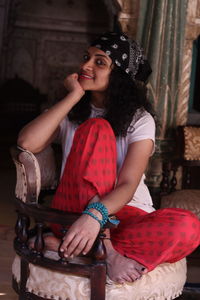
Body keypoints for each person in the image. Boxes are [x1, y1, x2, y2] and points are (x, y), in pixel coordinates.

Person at [17, 32, 200, 284]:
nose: (85, 66)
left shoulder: (139, 119)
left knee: (189, 227)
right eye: (86, 58)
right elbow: (27, 142)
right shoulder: (72, 112)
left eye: (99, 62)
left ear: (120, 77)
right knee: (96, 128)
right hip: (75, 213)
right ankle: (108, 252)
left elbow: (128, 183)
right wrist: (72, 96)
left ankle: (72, 248)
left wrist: (97, 216)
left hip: (123, 214)